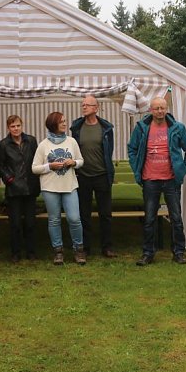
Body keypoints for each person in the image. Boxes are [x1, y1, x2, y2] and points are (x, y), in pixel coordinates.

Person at [127, 96, 186, 266]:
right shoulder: (142, 128)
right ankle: (147, 253)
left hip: (171, 180)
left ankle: (179, 252)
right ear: (150, 110)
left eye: (162, 108)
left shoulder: (177, 127)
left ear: (166, 109)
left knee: (176, 217)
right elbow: (132, 148)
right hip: (149, 180)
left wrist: (181, 168)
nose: (160, 111)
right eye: (156, 108)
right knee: (149, 218)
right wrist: (136, 167)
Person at [32, 111, 86, 265]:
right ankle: (58, 251)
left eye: (64, 121)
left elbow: (81, 160)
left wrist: (74, 163)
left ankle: (79, 250)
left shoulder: (72, 141)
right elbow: (34, 168)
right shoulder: (43, 145)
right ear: (53, 124)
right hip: (50, 188)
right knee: (54, 220)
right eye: (61, 121)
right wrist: (49, 166)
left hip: (70, 186)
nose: (64, 124)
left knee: (74, 219)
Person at [70, 94, 116, 257]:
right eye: (82, 105)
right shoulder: (76, 128)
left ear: (96, 108)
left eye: (87, 105)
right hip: (83, 176)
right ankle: (86, 247)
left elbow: (109, 151)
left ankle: (107, 247)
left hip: (102, 175)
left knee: (105, 214)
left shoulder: (106, 128)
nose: (84, 107)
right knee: (84, 214)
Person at [0, 114, 40, 262]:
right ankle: (15, 252)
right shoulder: (3, 144)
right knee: (15, 223)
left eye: (18, 125)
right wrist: (9, 179)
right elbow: (0, 166)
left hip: (30, 187)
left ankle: (31, 251)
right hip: (14, 189)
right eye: (12, 126)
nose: (16, 129)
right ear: (8, 128)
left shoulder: (31, 141)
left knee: (30, 223)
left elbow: (37, 160)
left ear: (22, 126)